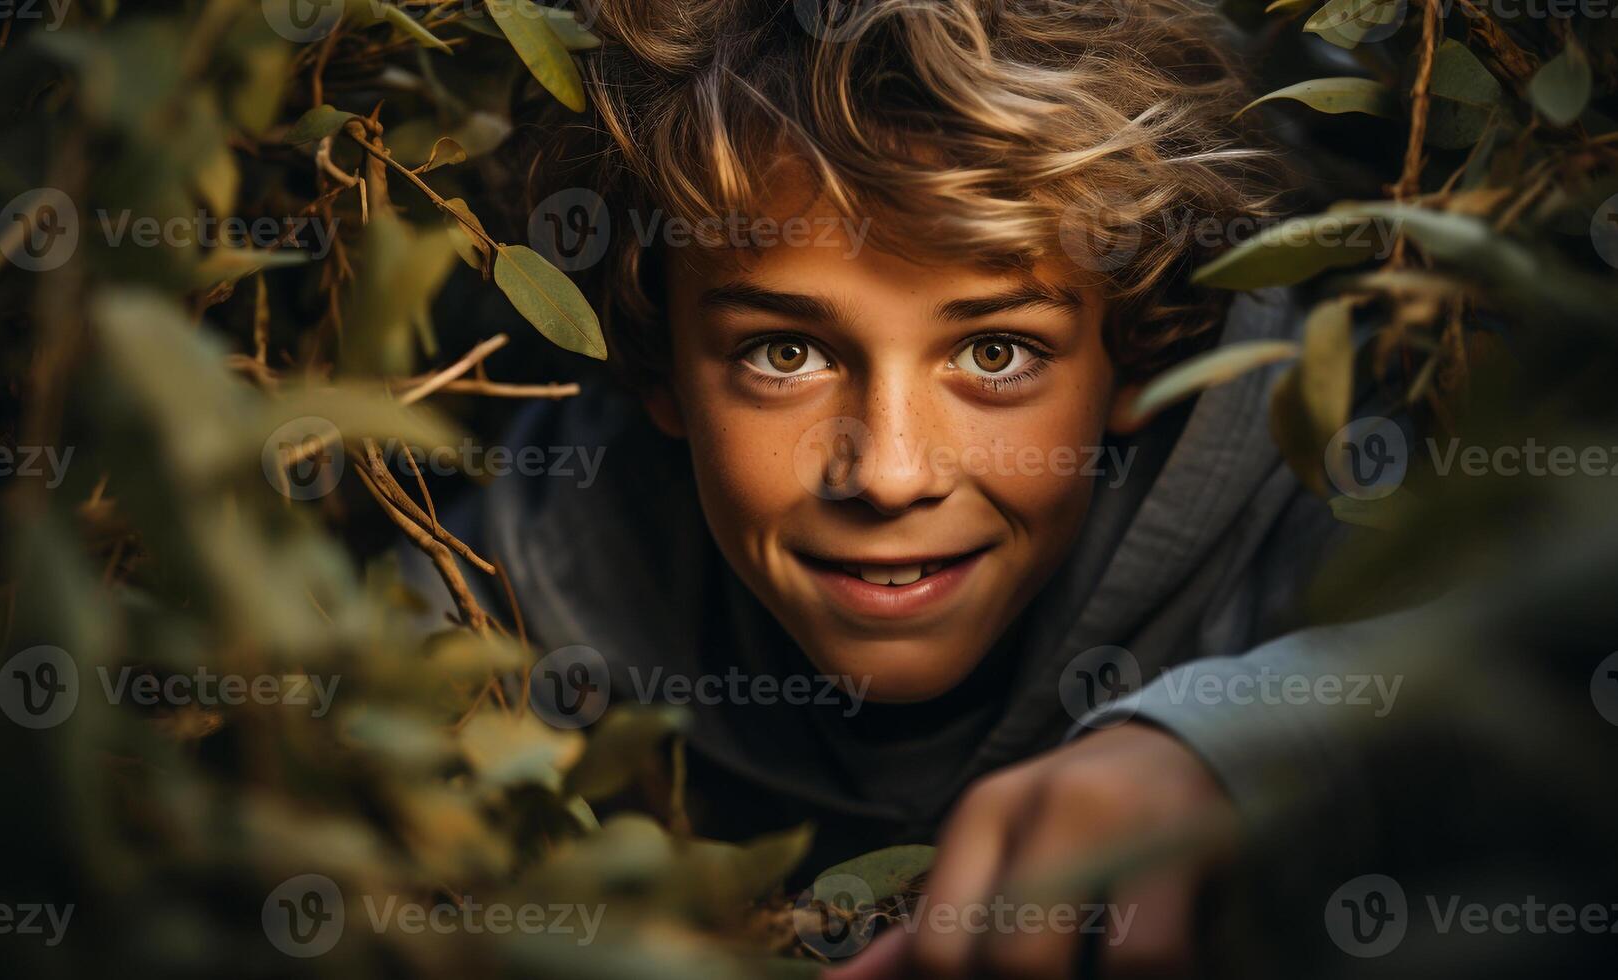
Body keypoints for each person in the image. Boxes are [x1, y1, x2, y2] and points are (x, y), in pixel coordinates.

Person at [409, 0, 1347, 974]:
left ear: (1142, 351)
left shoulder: (1333, 494)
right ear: (662, 368)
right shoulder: (523, 590)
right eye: (784, 352)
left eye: (995, 351)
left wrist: (1239, 749)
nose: (890, 474)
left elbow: (1505, 656)